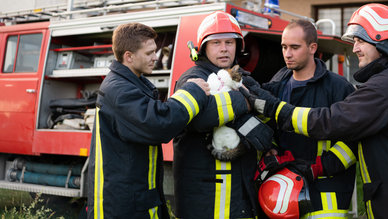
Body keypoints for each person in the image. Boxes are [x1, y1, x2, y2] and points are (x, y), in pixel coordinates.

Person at [244, 3, 388, 218]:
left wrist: (276, 110)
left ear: (381, 40)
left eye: (360, 41)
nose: (354, 48)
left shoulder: (384, 87)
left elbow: (330, 121)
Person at [87, 22, 210, 219]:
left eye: (156, 51)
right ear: (129, 56)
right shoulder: (119, 90)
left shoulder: (131, 84)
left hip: (135, 198)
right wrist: (193, 92)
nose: (156, 57)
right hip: (122, 206)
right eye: (149, 53)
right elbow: (157, 124)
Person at [173, 11, 273, 218]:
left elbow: (269, 108)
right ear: (203, 48)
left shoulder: (242, 78)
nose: (224, 49)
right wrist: (245, 102)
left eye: (229, 42)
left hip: (238, 192)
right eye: (216, 43)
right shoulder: (193, 79)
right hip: (205, 197)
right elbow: (202, 118)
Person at [259, 18, 357, 218]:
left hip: (326, 194)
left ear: (313, 47)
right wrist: (270, 148)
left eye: (295, 47)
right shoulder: (276, 86)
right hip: (284, 192)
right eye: (284, 47)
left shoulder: (338, 88)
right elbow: (268, 128)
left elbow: (354, 141)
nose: (287, 54)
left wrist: (319, 167)